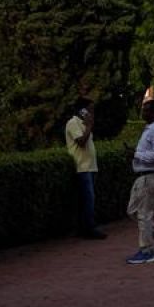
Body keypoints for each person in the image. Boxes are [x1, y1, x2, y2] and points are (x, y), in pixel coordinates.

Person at [124, 99, 154, 264]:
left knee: (144, 214)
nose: (143, 113)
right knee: (133, 211)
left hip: (149, 176)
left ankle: (146, 250)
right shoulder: (151, 129)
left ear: (153, 113)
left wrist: (136, 155)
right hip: (144, 176)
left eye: (146, 110)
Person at [64, 98, 105, 240]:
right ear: (81, 110)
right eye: (89, 109)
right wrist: (89, 126)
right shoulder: (73, 123)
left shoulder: (83, 123)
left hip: (90, 166)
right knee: (89, 199)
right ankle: (89, 228)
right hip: (81, 167)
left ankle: (82, 227)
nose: (92, 112)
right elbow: (81, 142)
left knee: (86, 199)